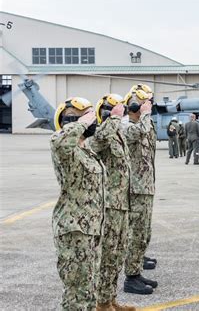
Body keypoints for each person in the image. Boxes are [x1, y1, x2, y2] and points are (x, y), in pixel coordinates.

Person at [50, 97, 105, 310]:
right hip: (74, 230)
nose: (94, 121)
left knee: (89, 288)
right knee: (75, 293)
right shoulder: (65, 149)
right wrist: (81, 122)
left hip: (90, 229)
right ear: (72, 121)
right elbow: (59, 140)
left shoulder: (85, 150)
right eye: (90, 116)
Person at [88, 94, 135, 310]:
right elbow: (96, 141)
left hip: (122, 204)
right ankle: (101, 303)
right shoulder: (102, 132)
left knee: (118, 254)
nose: (122, 113)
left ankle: (111, 299)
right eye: (116, 110)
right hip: (109, 207)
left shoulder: (117, 134)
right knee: (107, 255)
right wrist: (114, 118)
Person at [123, 85, 158, 295]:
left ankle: (136, 269)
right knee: (136, 233)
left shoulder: (144, 123)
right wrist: (144, 114)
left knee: (144, 233)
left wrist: (145, 115)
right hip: (135, 189)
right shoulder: (127, 125)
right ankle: (131, 278)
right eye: (144, 104)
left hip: (145, 187)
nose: (149, 107)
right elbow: (138, 132)